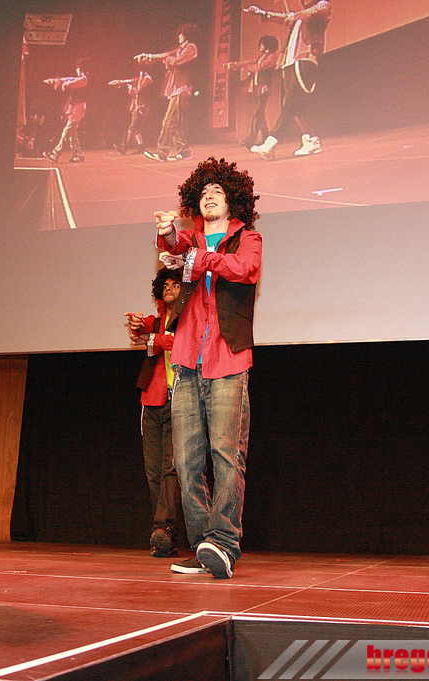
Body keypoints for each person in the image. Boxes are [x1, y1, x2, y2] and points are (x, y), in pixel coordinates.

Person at [153, 157, 261, 579]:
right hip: (186, 362)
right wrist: (167, 232)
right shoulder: (191, 238)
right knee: (185, 460)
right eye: (203, 192)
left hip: (228, 360)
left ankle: (225, 542)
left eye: (217, 191)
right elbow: (174, 245)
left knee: (227, 455)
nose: (209, 197)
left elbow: (245, 269)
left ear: (233, 200)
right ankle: (205, 546)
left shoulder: (247, 238)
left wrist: (204, 259)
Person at [125, 267, 185, 557]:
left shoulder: (189, 319)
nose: (169, 288)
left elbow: (181, 341)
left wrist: (152, 340)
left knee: (170, 467)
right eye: (165, 284)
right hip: (151, 399)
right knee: (153, 471)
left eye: (175, 284)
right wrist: (137, 325)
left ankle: (164, 528)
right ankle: (163, 533)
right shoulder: (157, 321)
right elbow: (142, 330)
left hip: (179, 400)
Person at [246, 0, 332, 160]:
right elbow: (284, 18)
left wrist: (295, 15)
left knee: (290, 104)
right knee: (298, 107)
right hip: (290, 63)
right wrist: (263, 13)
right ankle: (310, 140)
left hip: (305, 60)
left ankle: (271, 142)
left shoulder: (322, 6)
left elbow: (313, 11)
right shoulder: (300, 18)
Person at [137, 23, 199, 163]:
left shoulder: (191, 48)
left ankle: (162, 152)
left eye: (181, 33)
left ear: (186, 35)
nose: (179, 36)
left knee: (169, 121)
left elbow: (177, 61)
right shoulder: (180, 49)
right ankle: (184, 151)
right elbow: (165, 55)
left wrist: (168, 61)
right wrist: (148, 56)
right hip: (176, 88)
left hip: (182, 88)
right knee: (175, 123)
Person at [227, 35, 280, 149]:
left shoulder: (272, 56)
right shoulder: (262, 56)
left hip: (263, 86)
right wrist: (236, 64)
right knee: (259, 113)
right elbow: (251, 62)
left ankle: (251, 139)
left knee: (258, 112)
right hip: (257, 85)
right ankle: (265, 137)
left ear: (267, 44)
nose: (259, 46)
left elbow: (258, 67)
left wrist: (241, 67)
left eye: (261, 44)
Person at [44, 57, 90, 164]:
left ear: (81, 69)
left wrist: (61, 83)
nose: (76, 70)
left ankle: (56, 152)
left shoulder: (84, 79)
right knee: (72, 133)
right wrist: (55, 81)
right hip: (74, 107)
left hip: (78, 107)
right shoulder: (80, 78)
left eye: (78, 68)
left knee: (67, 130)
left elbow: (69, 82)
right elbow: (67, 79)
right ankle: (77, 154)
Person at [109, 68, 153, 155]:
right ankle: (141, 147)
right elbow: (133, 85)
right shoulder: (142, 79)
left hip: (142, 106)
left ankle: (124, 147)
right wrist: (120, 82)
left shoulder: (147, 79)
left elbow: (137, 91)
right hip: (138, 105)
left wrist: (130, 87)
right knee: (136, 128)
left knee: (132, 127)